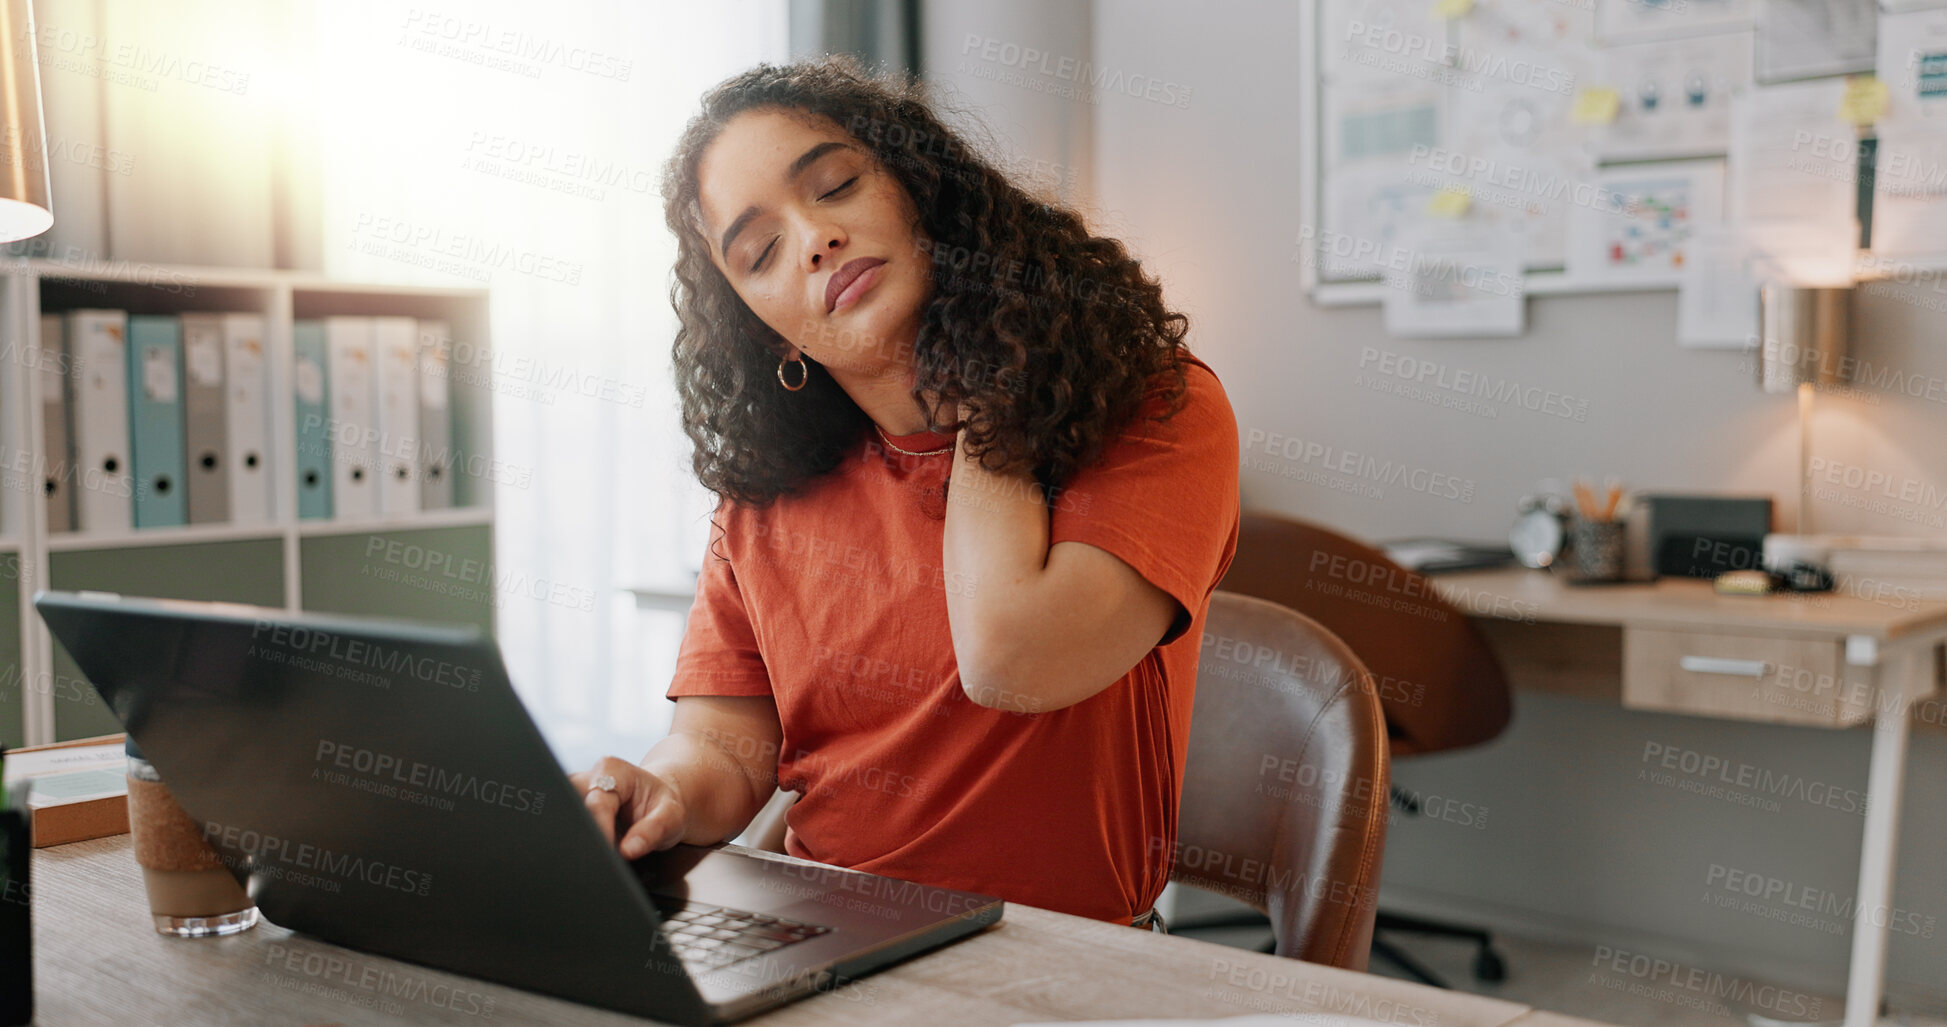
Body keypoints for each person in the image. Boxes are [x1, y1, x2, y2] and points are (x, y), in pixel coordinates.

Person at [570, 56, 1239, 929]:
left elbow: (1011, 657)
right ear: (761, 324)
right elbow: (721, 749)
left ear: (924, 186)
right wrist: (658, 790)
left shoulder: (1152, 404)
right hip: (824, 936)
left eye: (837, 184)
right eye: (761, 251)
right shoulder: (767, 497)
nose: (813, 238)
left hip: (1063, 963)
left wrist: (989, 389)